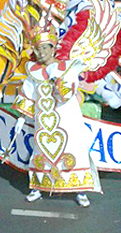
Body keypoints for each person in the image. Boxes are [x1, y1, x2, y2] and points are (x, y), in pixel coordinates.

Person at [13, 22, 100, 207]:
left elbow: (68, 94)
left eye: (45, 47)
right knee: (40, 151)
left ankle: (81, 191)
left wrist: (58, 83)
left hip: (68, 120)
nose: (41, 52)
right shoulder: (33, 71)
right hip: (44, 122)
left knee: (74, 150)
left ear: (53, 48)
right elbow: (28, 94)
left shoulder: (68, 68)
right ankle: (37, 188)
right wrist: (21, 117)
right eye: (37, 49)